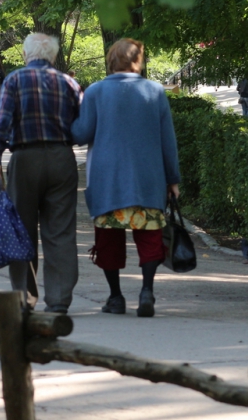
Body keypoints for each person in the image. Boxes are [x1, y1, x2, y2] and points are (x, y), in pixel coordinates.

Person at [71, 38, 180, 317]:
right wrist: (173, 179)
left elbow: (81, 134)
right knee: (150, 237)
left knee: (108, 239)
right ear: (138, 61)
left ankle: (116, 297)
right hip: (148, 178)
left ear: (111, 60)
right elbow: (168, 141)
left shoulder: (96, 91)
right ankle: (147, 292)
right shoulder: (155, 91)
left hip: (108, 179)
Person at [0, 33, 82, 314]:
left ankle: (24, 298)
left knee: (21, 230)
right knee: (61, 231)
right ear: (53, 57)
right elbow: (82, 124)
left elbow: (1, 122)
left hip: (25, 158)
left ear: (27, 55)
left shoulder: (15, 80)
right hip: (62, 158)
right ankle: (59, 299)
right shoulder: (70, 83)